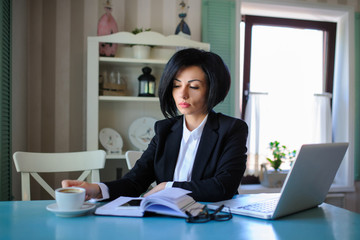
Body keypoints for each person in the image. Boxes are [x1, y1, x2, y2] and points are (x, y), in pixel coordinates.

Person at [62, 48, 248, 202]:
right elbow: (135, 181)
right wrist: (97, 189)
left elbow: (224, 186)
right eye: (176, 85)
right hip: (167, 220)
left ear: (212, 89)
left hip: (213, 222)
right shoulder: (165, 130)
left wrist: (168, 187)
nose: (182, 94)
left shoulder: (232, 129)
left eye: (194, 86)